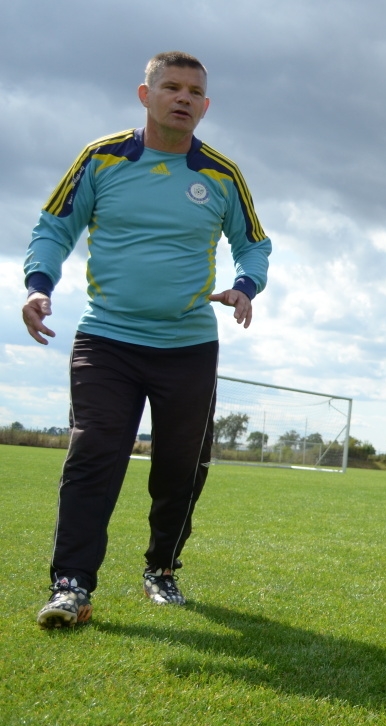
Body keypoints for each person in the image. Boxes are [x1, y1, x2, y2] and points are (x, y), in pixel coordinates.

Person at [22, 51, 271, 628]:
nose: (183, 98)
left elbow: (254, 243)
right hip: (107, 339)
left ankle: (161, 570)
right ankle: (71, 586)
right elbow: (54, 226)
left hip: (187, 346)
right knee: (95, 451)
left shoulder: (222, 175)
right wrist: (39, 285)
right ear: (146, 95)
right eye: (172, 87)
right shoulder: (101, 159)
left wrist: (244, 285)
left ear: (205, 107)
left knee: (181, 466)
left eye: (194, 92)